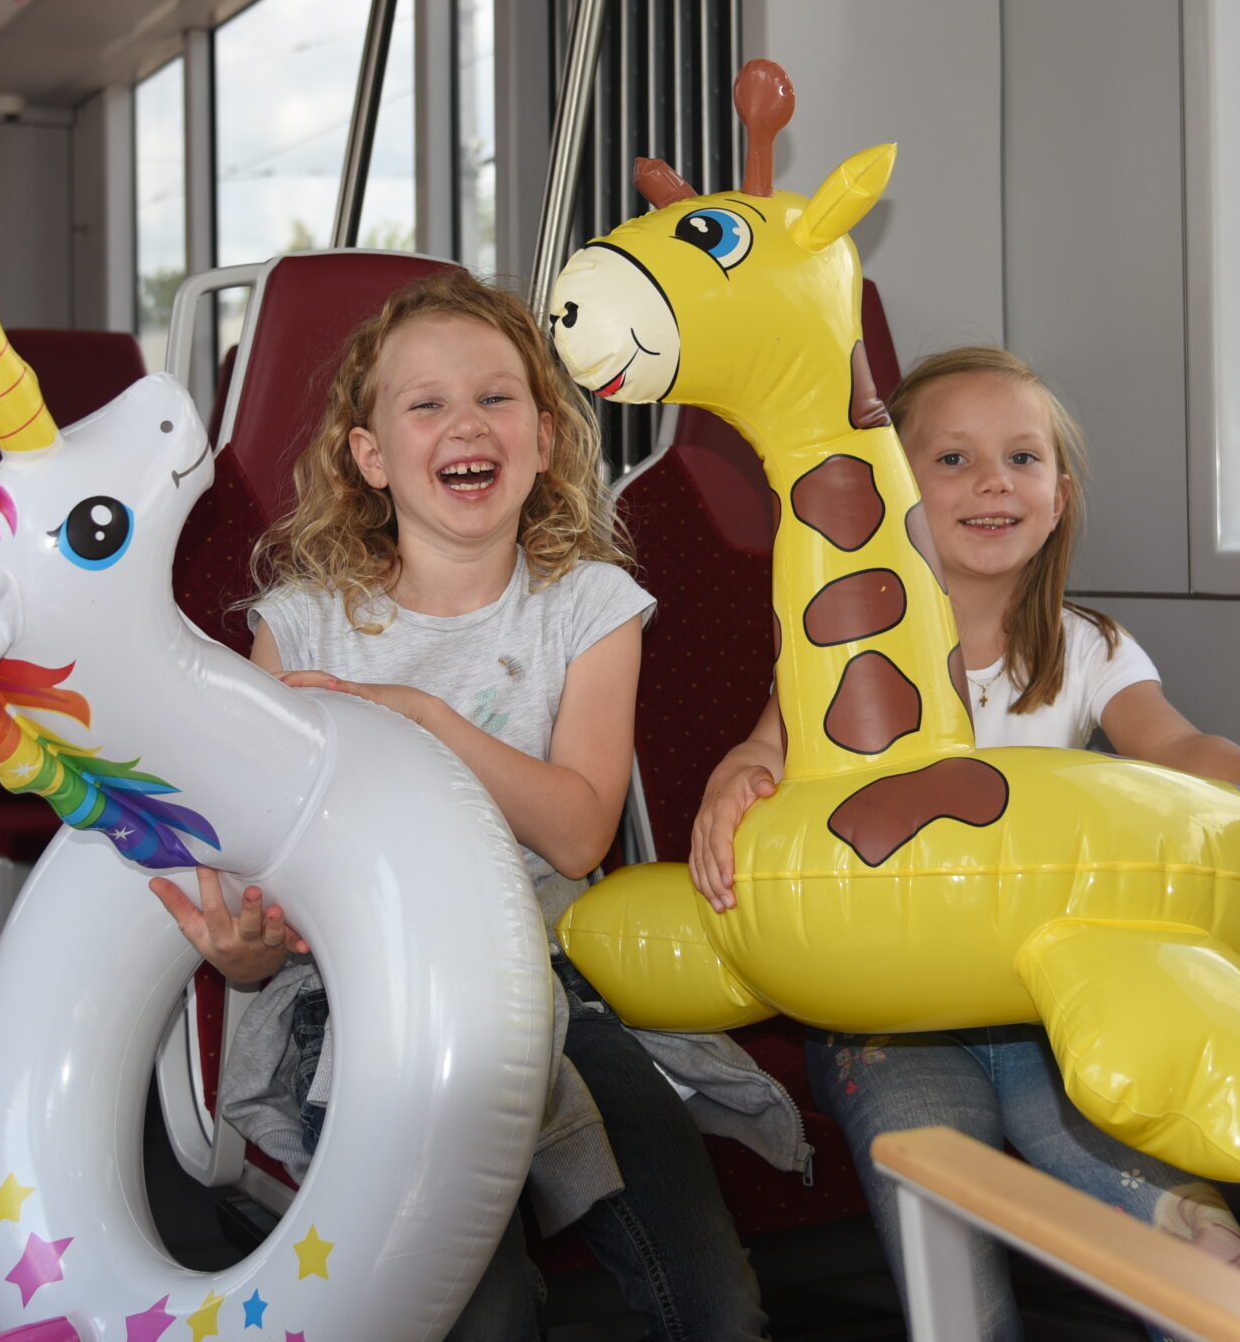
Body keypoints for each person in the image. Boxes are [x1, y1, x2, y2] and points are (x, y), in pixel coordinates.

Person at [153, 268, 794, 1342]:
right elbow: (266, 895)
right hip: (352, 1002)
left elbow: (580, 827)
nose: (467, 423)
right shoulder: (300, 630)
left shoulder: (589, 605)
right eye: (427, 403)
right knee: (480, 1305)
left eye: (497, 397)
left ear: (544, 438)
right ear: (369, 455)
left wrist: (411, 713)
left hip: (544, 982)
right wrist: (242, 953)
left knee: (715, 1299)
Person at [688, 345, 1240, 1341]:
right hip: (889, 1008)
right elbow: (763, 746)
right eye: (952, 460)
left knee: (1135, 1174)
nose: (992, 479)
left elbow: (1175, 745)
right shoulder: (849, 645)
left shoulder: (1087, 647)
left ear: (1057, 497)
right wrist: (733, 777)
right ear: (895, 490)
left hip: (1051, 995)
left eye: (1021, 458)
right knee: (942, 1195)